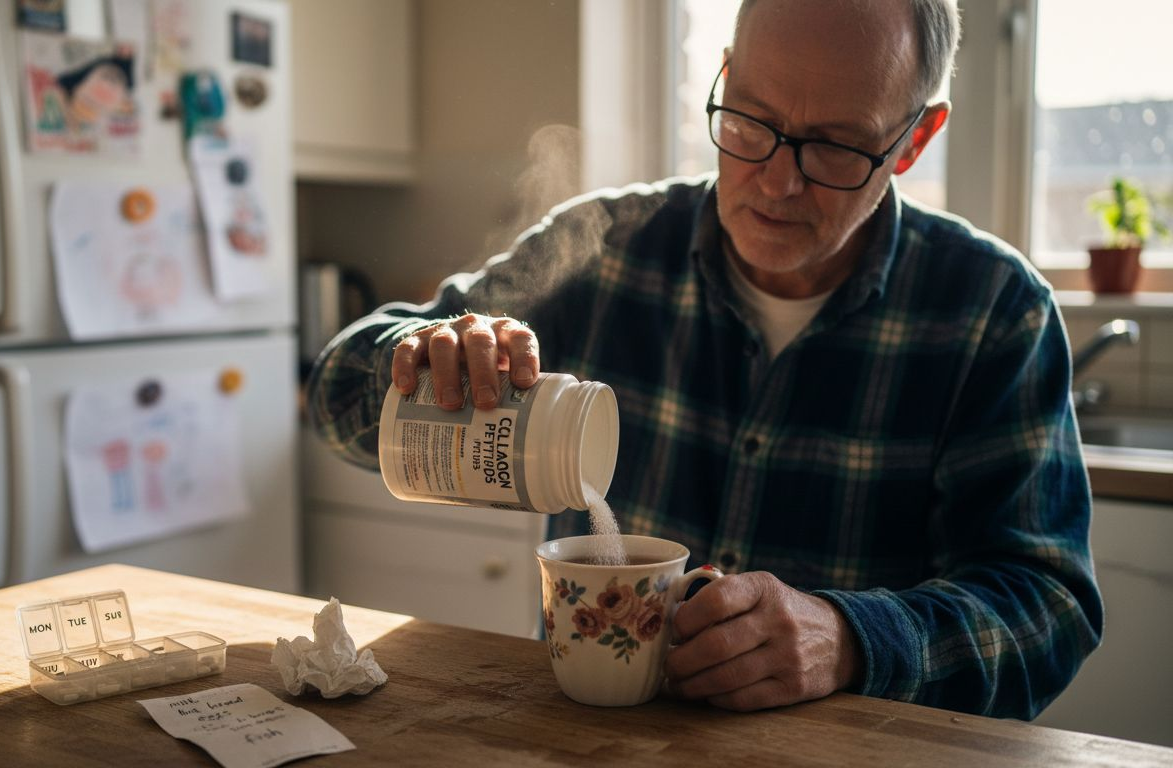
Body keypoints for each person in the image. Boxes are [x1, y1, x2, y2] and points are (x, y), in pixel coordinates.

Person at [306, 0, 1101, 719]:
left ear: (913, 140)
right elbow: (334, 397)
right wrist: (417, 362)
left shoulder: (993, 311)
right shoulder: (607, 249)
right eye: (750, 120)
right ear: (724, 76)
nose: (776, 182)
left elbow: (1049, 607)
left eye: (833, 147)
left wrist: (854, 639)